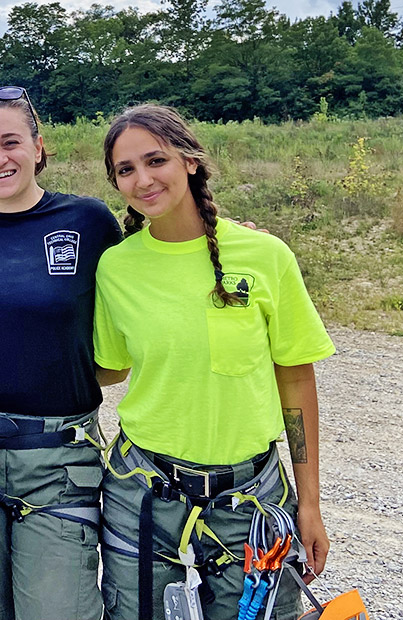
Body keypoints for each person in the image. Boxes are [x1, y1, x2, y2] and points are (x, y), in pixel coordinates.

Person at [94, 104, 333, 620]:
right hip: (143, 492)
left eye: (155, 160)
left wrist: (309, 504)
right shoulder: (115, 267)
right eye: (125, 170)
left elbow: (295, 379)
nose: (143, 180)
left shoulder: (265, 255)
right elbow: (109, 368)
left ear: (191, 161)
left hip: (251, 498)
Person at [0, 85, 123, 620]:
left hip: (57, 460)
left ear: (38, 145)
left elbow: (153, 273)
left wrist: (229, 239)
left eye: (10, 142)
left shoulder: (90, 221)